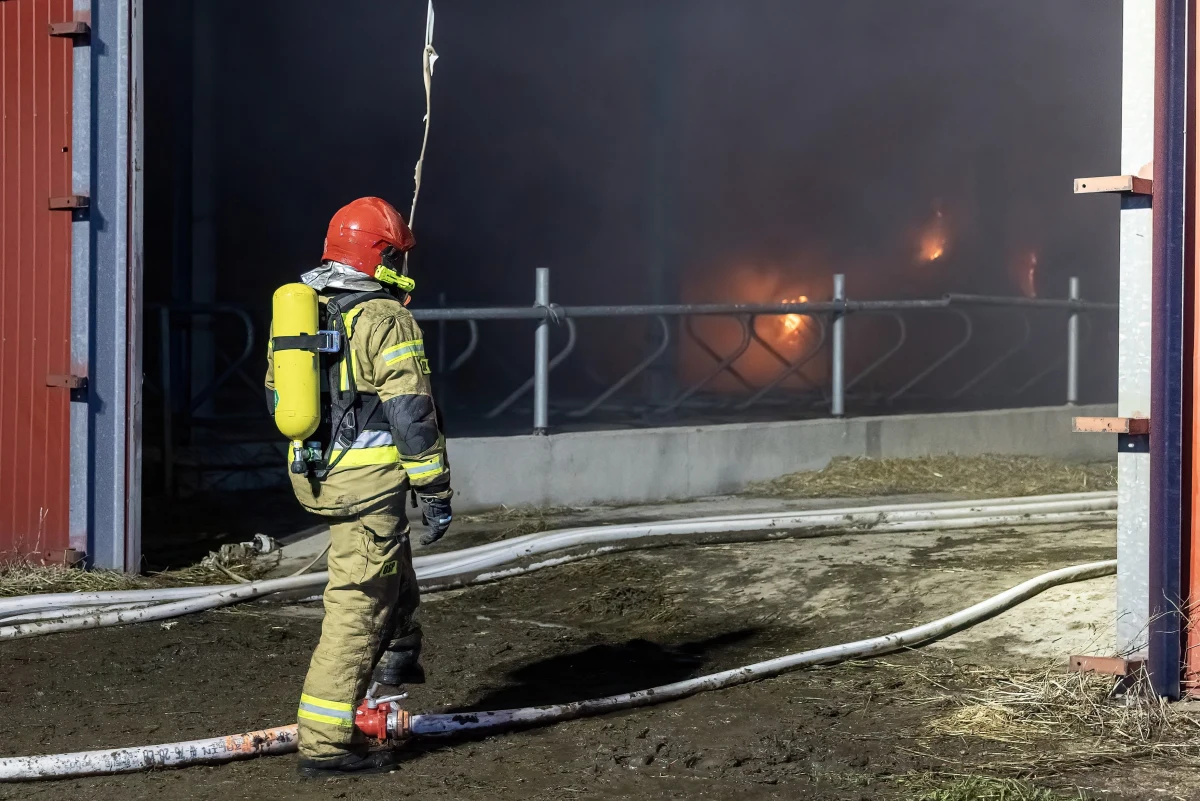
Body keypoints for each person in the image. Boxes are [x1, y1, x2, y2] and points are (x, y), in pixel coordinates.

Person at [265, 196, 453, 776]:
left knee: (388, 565)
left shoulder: (302, 307)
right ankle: (324, 742)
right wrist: (435, 489)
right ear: (379, 255)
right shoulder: (384, 319)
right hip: (367, 486)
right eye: (394, 252)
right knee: (357, 605)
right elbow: (412, 414)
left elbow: (275, 392)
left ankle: (398, 657)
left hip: (319, 474)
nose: (401, 261)